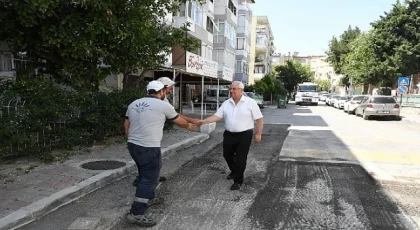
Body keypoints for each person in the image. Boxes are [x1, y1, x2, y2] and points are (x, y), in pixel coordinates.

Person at [124, 80, 196, 227]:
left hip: (133, 145)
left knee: (144, 174)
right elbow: (179, 121)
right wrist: (189, 125)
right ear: (161, 91)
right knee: (149, 179)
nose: (166, 93)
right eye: (165, 91)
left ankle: (148, 198)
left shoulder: (134, 103)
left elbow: (126, 124)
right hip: (149, 147)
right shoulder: (163, 105)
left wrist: (131, 139)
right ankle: (136, 213)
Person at [132, 77, 200, 187]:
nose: (171, 90)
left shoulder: (159, 99)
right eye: (170, 88)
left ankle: (148, 177)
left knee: (149, 159)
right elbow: (176, 116)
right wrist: (190, 123)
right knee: (153, 160)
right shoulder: (160, 101)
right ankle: (144, 183)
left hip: (146, 135)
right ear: (162, 88)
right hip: (148, 136)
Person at [199, 81, 263, 190]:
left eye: (234, 89)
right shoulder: (227, 103)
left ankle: (238, 180)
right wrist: (203, 121)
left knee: (241, 158)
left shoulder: (250, 103)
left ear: (241, 90)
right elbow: (217, 116)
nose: (231, 91)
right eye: (230, 89)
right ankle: (234, 171)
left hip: (245, 135)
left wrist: (258, 134)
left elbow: (259, 119)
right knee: (227, 154)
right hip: (229, 134)